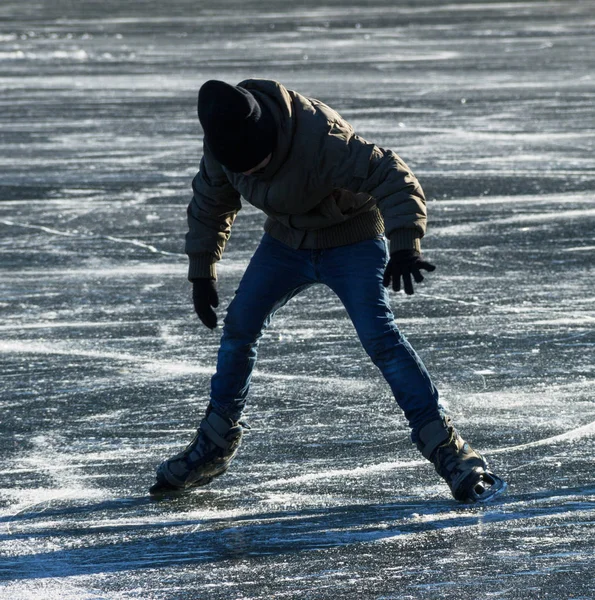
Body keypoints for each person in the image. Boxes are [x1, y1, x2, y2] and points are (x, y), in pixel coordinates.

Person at [149, 79, 506, 503]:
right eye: (239, 168)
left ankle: (452, 451)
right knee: (240, 326)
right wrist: (201, 271)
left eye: (255, 165)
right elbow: (211, 202)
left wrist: (405, 244)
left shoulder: (322, 139)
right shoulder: (223, 142)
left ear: (270, 139)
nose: (247, 173)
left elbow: (393, 175)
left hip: (350, 239)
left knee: (380, 337)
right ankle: (213, 444)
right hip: (286, 242)